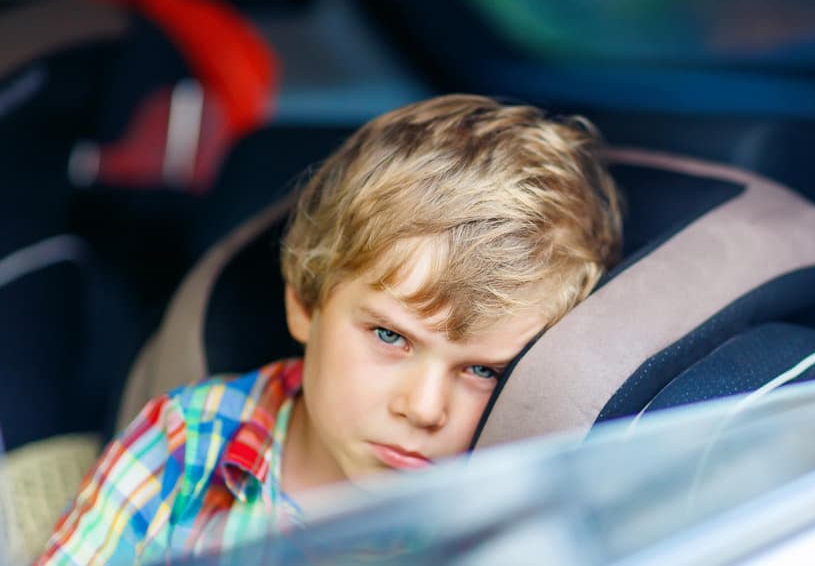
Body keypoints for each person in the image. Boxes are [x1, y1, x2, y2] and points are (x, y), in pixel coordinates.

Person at [37, 94, 623, 564]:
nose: (423, 408)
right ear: (306, 303)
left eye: (482, 370)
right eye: (390, 337)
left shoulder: (509, 519)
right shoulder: (189, 446)